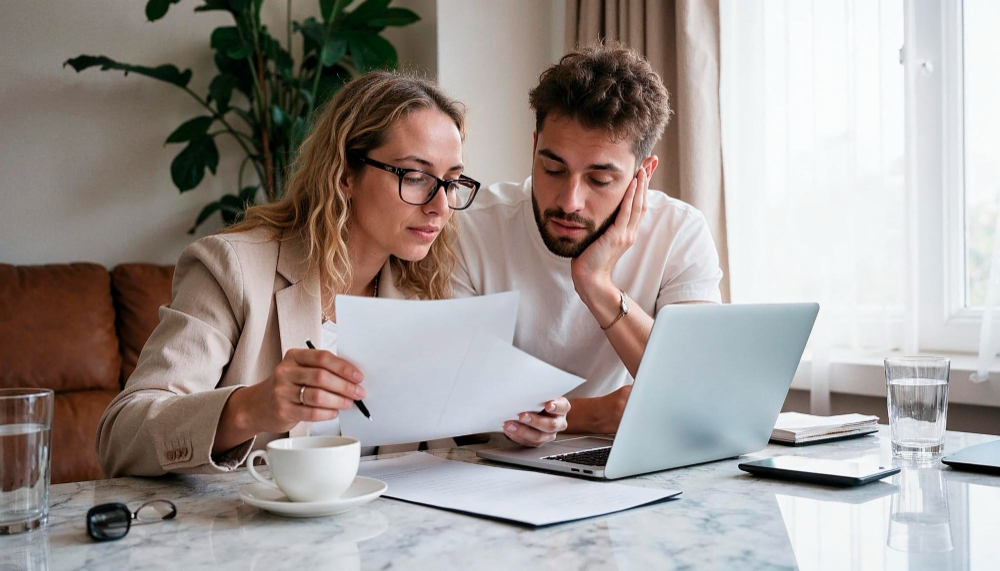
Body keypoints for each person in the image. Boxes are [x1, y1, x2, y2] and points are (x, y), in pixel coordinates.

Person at [97, 71, 570, 477]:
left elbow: (448, 436)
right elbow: (122, 435)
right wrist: (249, 407)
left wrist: (520, 420)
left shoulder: (427, 293)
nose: (441, 206)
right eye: (415, 175)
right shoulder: (232, 269)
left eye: (450, 181)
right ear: (345, 172)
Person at [453, 42, 723, 442]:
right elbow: (454, 401)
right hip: (493, 469)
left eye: (599, 179)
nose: (568, 201)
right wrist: (590, 415)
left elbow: (700, 397)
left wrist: (596, 284)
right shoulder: (471, 226)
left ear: (642, 175)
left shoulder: (679, 232)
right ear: (533, 148)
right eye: (552, 168)